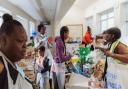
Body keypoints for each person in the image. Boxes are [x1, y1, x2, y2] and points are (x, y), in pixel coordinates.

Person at [0, 13, 33, 89]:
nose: (25, 46)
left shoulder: (11, 62)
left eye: (25, 41)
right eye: (20, 41)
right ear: (3, 40)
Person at [34, 24, 53, 89]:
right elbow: (35, 47)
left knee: (49, 70)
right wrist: (41, 41)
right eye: (43, 29)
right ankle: (40, 85)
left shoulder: (46, 36)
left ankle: (50, 86)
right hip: (41, 55)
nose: (44, 30)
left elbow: (50, 46)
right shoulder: (36, 37)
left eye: (45, 29)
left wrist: (49, 42)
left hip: (48, 54)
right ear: (39, 30)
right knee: (42, 71)